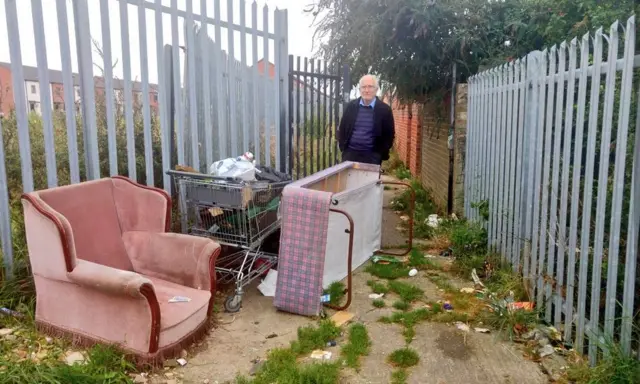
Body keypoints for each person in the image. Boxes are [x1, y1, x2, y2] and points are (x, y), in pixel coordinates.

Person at [337, 74, 395, 165]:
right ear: (360, 90)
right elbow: (342, 128)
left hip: (372, 156)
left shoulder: (385, 110)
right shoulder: (351, 107)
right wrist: (343, 148)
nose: (366, 90)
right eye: (363, 87)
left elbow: (389, 135)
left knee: (370, 180)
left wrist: (380, 153)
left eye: (370, 87)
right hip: (350, 154)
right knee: (350, 179)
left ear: (376, 89)